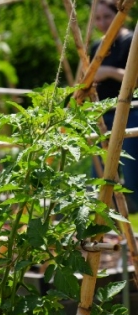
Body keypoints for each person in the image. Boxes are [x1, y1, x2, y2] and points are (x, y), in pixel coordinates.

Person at [90, 0, 138, 210]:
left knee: (133, 176)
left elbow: (135, 80)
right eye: (98, 18)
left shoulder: (132, 42)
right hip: (103, 115)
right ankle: (112, 234)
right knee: (100, 179)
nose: (102, 23)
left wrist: (108, 72)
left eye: (107, 17)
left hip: (131, 113)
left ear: (121, 15)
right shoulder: (96, 47)